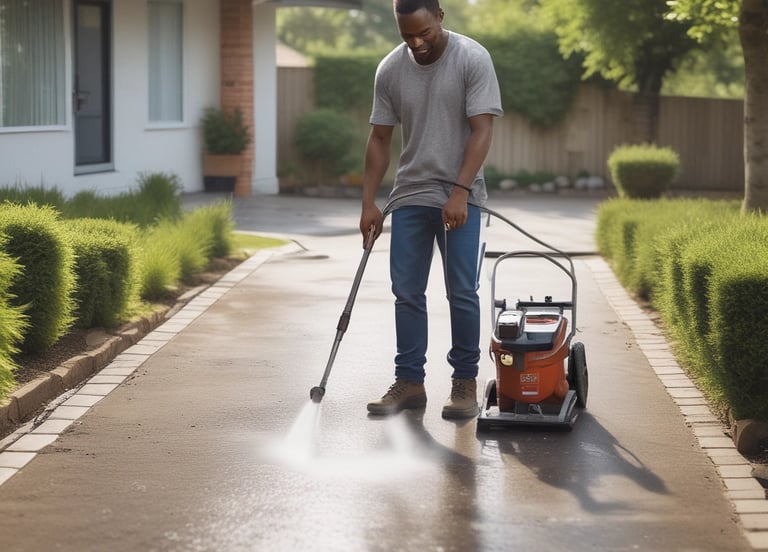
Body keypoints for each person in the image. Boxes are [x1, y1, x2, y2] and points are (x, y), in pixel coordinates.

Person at [360, 0, 503, 418]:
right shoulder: (390, 69)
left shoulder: (472, 58)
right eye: (407, 35)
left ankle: (464, 382)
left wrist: (460, 192)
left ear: (440, 16)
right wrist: (369, 202)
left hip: (461, 198)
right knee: (406, 293)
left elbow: (483, 130)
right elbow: (380, 138)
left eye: (424, 32)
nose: (417, 42)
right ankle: (409, 382)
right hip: (408, 197)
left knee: (461, 292)